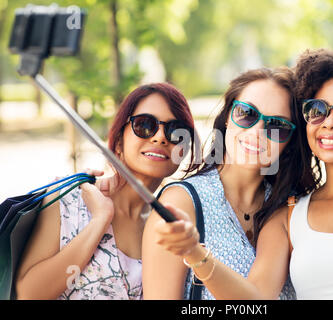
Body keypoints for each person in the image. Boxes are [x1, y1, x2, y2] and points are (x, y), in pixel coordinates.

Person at [154, 49, 333, 300]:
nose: (331, 123)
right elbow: (253, 301)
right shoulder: (286, 216)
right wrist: (195, 253)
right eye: (317, 110)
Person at [142, 67, 321, 299]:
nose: (257, 132)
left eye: (276, 126)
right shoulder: (182, 201)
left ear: (290, 142)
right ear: (228, 116)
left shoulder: (288, 207)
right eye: (247, 114)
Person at [15, 82, 199, 300]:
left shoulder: (169, 225)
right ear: (119, 140)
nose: (160, 137)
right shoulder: (69, 199)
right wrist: (100, 219)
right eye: (144, 125)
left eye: (175, 131)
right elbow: (28, 294)